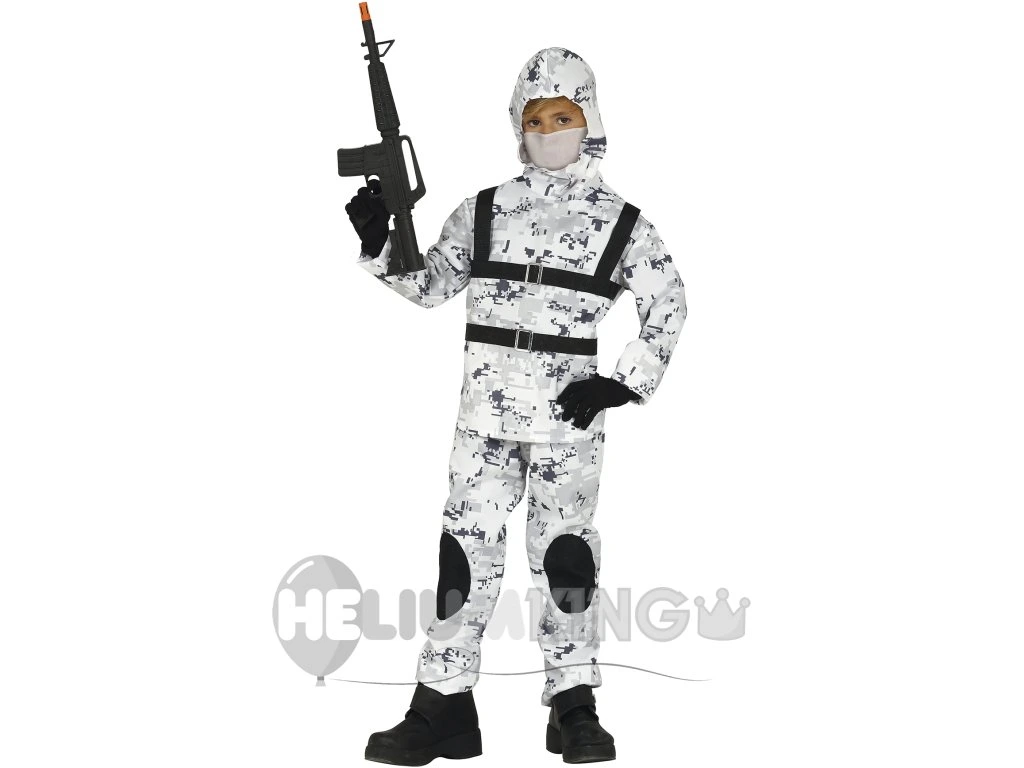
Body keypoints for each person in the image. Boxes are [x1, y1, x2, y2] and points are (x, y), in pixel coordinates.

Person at [346, 46, 686, 765]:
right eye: (535, 120)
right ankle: (442, 705)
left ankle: (573, 703)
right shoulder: (483, 211)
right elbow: (430, 286)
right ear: (516, 125)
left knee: (566, 562)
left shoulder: (621, 223)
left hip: (569, 423)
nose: (549, 131)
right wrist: (381, 241)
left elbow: (669, 303)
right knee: (462, 559)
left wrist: (622, 382)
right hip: (485, 422)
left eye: (563, 117)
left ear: (589, 120)